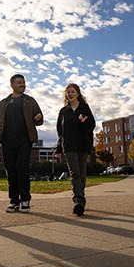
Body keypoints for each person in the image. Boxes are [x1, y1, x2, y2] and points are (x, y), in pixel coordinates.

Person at [0, 74, 43, 213]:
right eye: (19, 82)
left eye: (23, 82)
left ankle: (25, 200)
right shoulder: (3, 103)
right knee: (11, 170)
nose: (22, 85)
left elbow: (39, 119)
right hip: (7, 141)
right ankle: (14, 201)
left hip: (25, 140)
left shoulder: (30, 101)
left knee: (22, 168)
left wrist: (38, 118)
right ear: (12, 85)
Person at [55, 83, 95, 217]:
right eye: (68, 92)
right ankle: (78, 202)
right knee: (75, 173)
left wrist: (84, 121)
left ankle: (80, 198)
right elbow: (60, 132)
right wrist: (59, 147)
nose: (70, 94)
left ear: (78, 93)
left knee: (82, 174)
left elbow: (92, 125)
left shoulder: (85, 108)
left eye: (72, 92)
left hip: (83, 145)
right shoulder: (63, 111)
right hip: (69, 146)